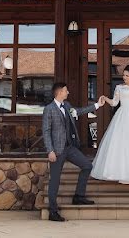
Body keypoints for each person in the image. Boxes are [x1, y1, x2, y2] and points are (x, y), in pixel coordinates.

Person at [42, 81, 105, 222]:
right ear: (59, 93)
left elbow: (80, 111)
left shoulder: (67, 106)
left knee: (87, 166)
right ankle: (53, 212)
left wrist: (97, 105)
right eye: (66, 90)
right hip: (57, 151)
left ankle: (78, 196)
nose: (68, 92)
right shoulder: (49, 109)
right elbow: (46, 132)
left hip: (70, 148)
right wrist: (50, 150)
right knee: (55, 181)